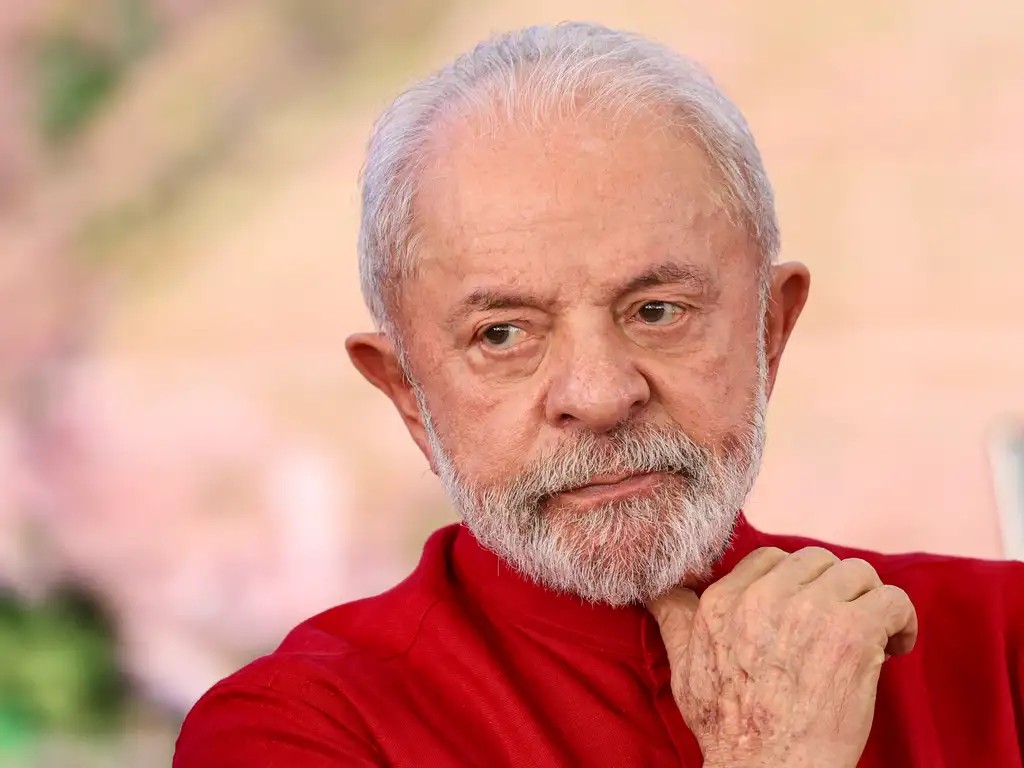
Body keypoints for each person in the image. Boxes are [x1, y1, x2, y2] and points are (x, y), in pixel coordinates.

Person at [173, 22, 1024, 767]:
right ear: (406, 392)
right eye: (502, 334)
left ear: (770, 329)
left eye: (657, 311)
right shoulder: (298, 730)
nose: (602, 394)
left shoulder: (1000, 644)